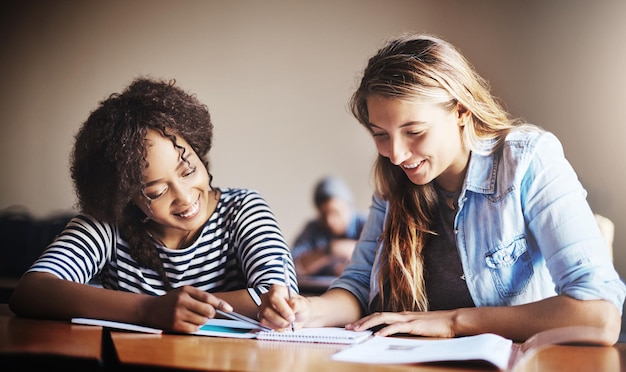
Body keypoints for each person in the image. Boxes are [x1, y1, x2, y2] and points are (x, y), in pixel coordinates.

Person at [258, 33, 626, 344]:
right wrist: (307, 309)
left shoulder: (527, 159)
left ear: (462, 111)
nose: (398, 155)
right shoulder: (392, 181)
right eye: (380, 135)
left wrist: (454, 323)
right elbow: (357, 286)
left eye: (415, 132)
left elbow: (599, 314)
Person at [9, 77, 298, 333]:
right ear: (125, 196)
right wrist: (148, 310)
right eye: (156, 191)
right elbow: (31, 290)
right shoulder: (108, 224)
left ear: (199, 151)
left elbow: (276, 298)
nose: (185, 197)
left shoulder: (243, 209)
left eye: (189, 171)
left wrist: (178, 310)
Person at [291, 176, 367, 276]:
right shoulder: (313, 228)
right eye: (323, 214)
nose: (330, 221)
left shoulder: (367, 223)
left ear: (349, 207)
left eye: (336, 212)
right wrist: (329, 251)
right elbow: (293, 264)